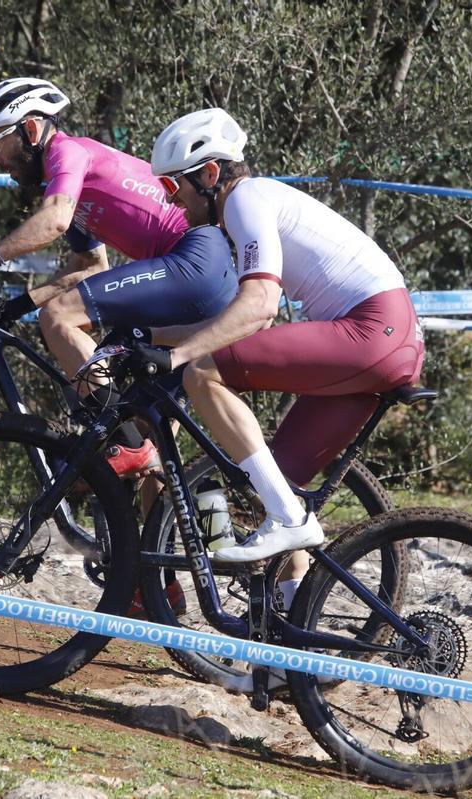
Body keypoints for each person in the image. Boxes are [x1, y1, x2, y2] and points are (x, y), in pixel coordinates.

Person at [138, 107, 424, 607]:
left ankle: (287, 519)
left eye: (171, 185)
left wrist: (179, 355)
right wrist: (153, 335)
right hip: (390, 337)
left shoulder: (245, 199)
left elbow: (259, 307)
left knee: (202, 374)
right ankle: (294, 638)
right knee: (275, 483)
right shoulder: (258, 204)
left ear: (210, 174)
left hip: (371, 329)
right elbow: (248, 319)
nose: (172, 200)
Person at [0, 78, 239, 477]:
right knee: (154, 448)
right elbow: (89, 266)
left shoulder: (67, 152)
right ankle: (163, 503)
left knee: (58, 317)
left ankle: (122, 440)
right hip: (202, 279)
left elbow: (54, 220)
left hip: (194, 261)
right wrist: (18, 305)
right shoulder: (67, 182)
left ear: (31, 129)